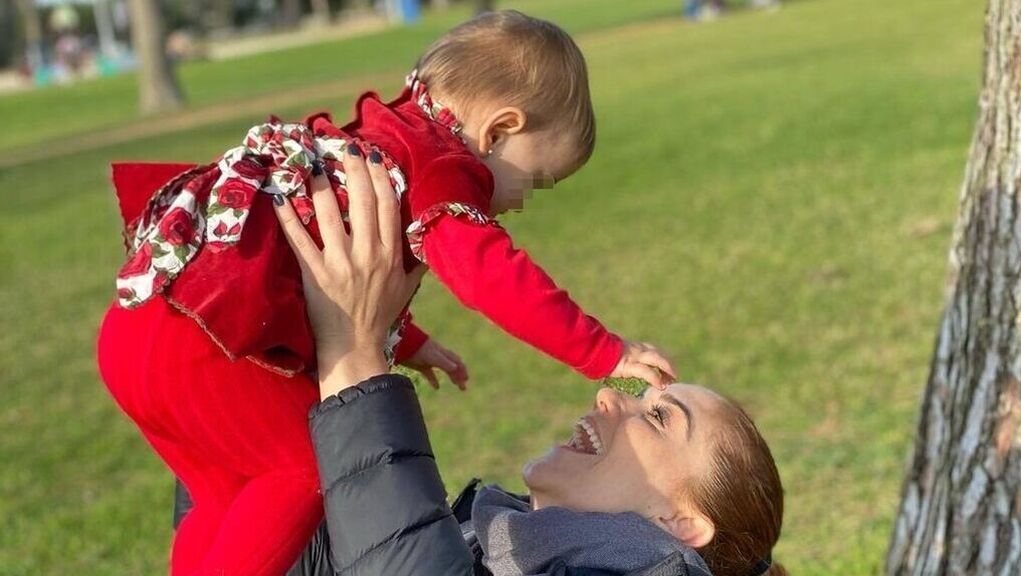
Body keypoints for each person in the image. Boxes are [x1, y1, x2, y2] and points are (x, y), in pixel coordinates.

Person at [98, 10, 678, 576]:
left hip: (141, 323)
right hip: (205, 348)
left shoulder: (388, 135)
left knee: (224, 497)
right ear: (499, 131)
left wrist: (412, 341)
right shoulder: (444, 167)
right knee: (306, 472)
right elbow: (490, 275)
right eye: (535, 181)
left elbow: (334, 261)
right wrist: (603, 351)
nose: (517, 204)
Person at [173, 157, 788, 576]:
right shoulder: (493, 544)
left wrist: (355, 355)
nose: (609, 397)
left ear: (680, 523)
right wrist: (260, 341)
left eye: (658, 418)